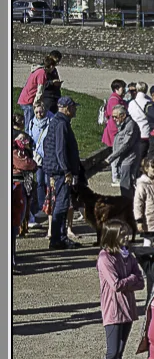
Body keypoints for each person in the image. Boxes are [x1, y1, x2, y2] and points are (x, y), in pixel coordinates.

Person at [89, 220, 145, 359]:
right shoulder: (105, 257)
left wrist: (130, 280)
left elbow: (141, 282)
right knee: (112, 352)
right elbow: (116, 284)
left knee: (119, 351)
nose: (127, 238)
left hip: (127, 309)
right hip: (113, 310)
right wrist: (131, 279)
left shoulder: (128, 255)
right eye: (123, 234)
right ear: (112, 235)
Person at [41, 96, 81, 250]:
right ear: (66, 108)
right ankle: (58, 239)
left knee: (62, 204)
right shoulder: (61, 124)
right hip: (60, 171)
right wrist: (67, 171)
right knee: (62, 204)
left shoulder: (59, 122)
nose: (75, 109)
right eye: (73, 107)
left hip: (56, 170)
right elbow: (60, 150)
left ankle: (60, 237)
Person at [108, 105, 142, 199]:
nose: (114, 119)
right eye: (113, 117)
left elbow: (126, 145)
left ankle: (128, 207)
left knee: (126, 187)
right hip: (123, 160)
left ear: (123, 115)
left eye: (116, 116)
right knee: (125, 185)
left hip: (129, 160)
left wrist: (110, 158)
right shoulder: (123, 125)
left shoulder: (131, 126)